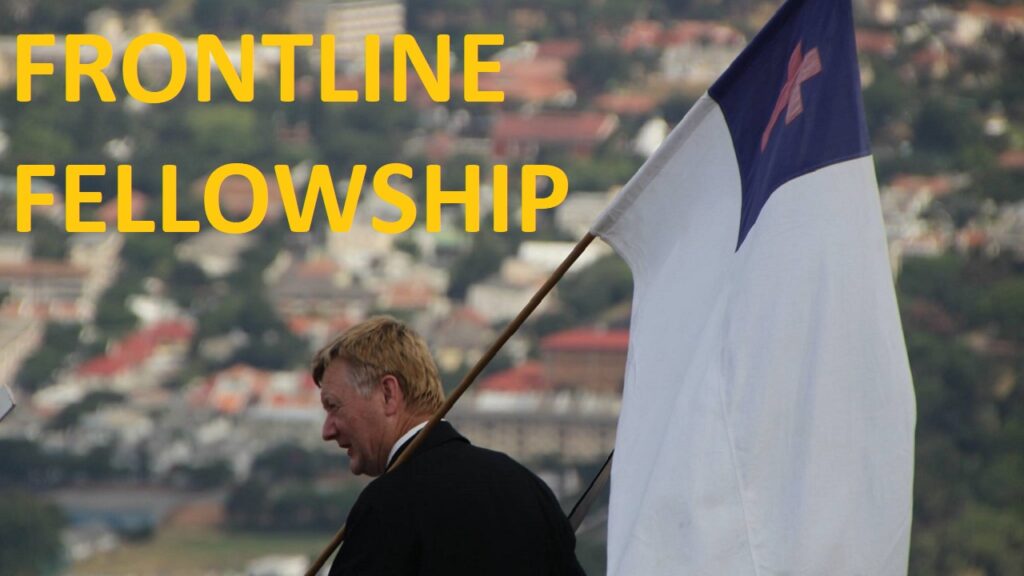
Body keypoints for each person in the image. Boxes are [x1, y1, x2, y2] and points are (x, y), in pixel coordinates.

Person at [312, 316, 587, 576]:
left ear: (388, 394)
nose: (327, 431)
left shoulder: (387, 504)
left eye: (333, 406)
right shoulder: (529, 488)